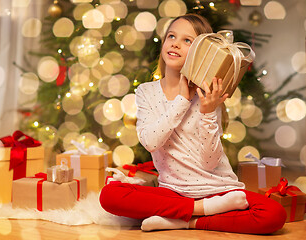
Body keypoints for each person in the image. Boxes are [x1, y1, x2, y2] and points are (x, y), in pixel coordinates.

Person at [100, 13, 287, 234]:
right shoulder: (146, 92)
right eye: (172, 36)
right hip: (174, 192)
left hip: (217, 191)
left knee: (274, 214)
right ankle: (199, 210)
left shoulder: (207, 96)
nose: (175, 44)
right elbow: (150, 141)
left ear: (202, 53)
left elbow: (209, 162)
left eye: (187, 40)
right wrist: (182, 100)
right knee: (110, 195)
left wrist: (208, 112)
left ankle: (186, 220)